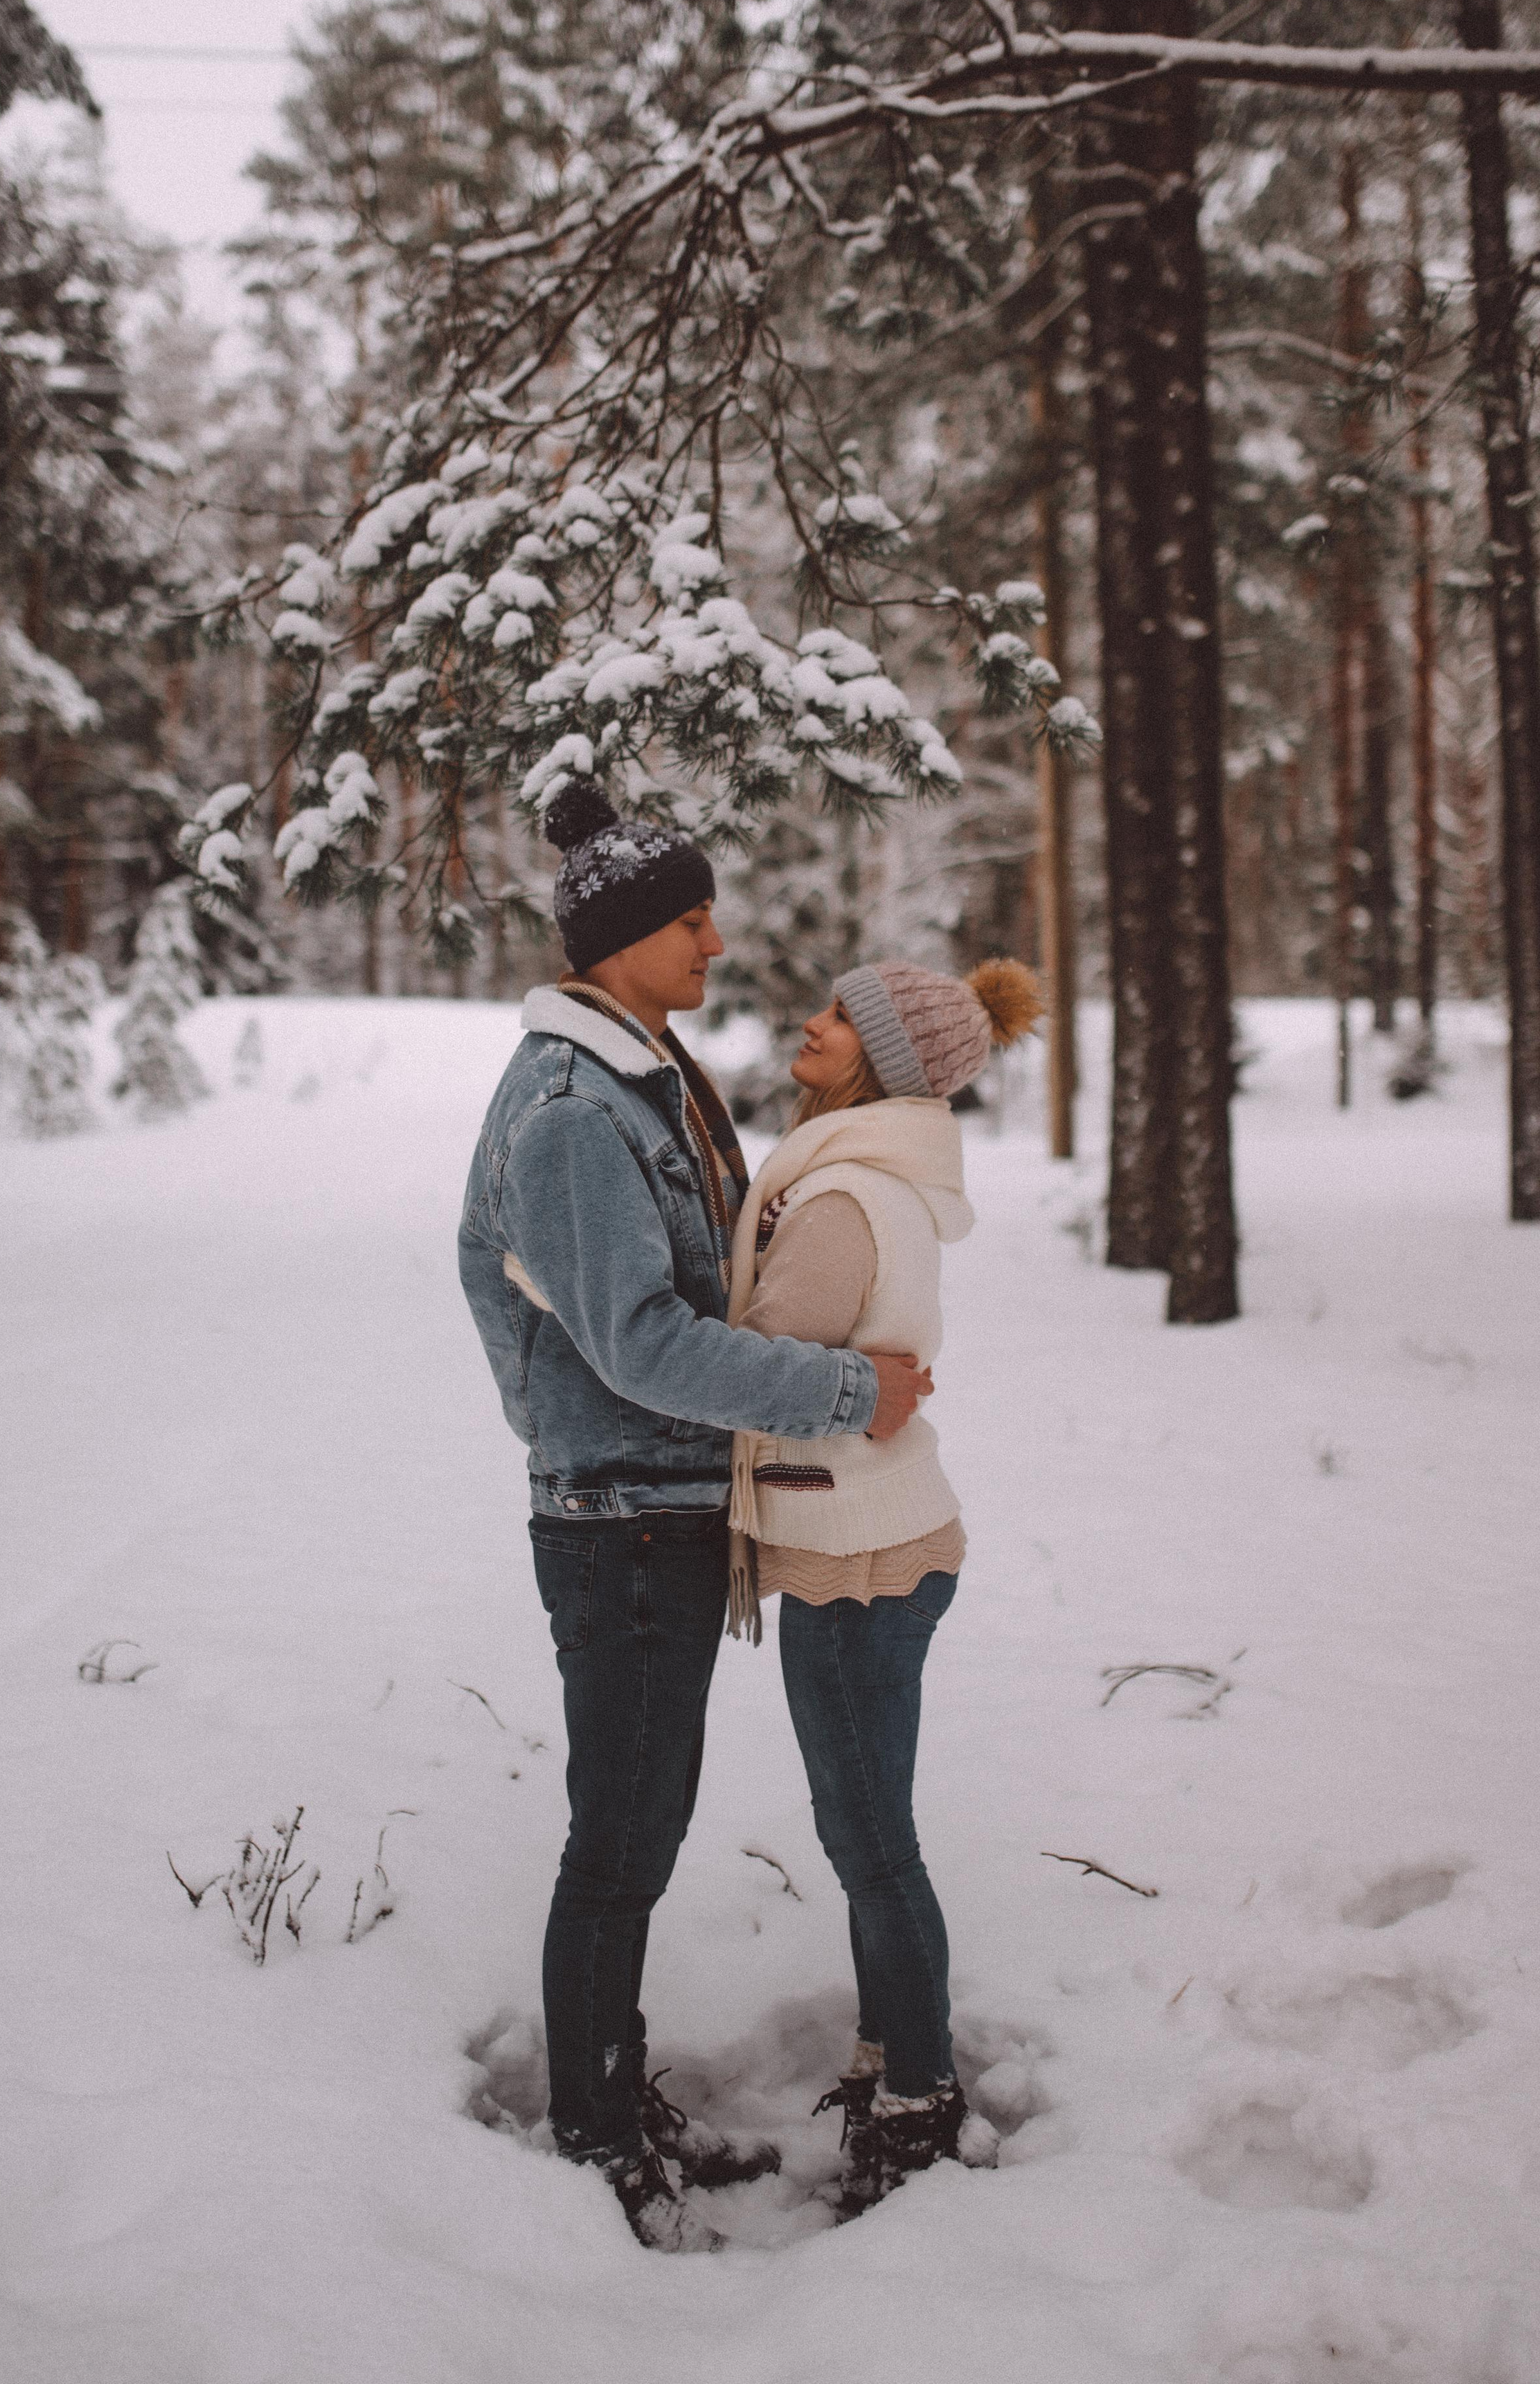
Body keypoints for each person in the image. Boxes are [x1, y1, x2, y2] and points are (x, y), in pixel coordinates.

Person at [457, 778, 934, 2252]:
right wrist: (843, 1389)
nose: (716, 940)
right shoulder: (566, 1114)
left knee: (636, 1827)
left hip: (664, 1505)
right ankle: (595, 2136)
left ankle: (609, 2109)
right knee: (620, 1840)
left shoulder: (645, 1070)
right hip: (620, 1520)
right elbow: (645, 1343)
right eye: (686, 919)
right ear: (613, 939)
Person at [726, 955, 1040, 2218]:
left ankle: (918, 2092)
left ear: (886, 1064)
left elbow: (748, 1363)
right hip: (877, 1541)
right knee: (869, 1833)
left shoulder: (848, 1194)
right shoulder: (862, 1174)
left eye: (842, 1016)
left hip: (861, 1560)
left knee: (869, 1842)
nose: (814, 1021)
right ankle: (890, 2056)